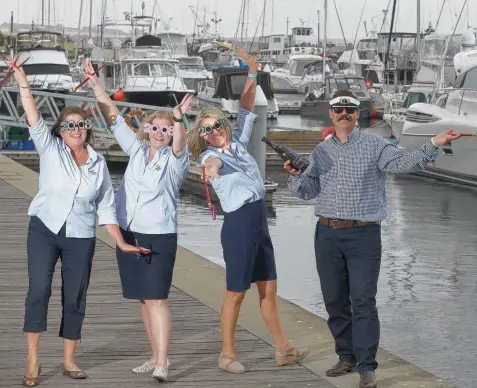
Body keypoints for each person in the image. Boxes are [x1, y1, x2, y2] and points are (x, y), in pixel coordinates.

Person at [284, 90, 462, 388]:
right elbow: (307, 192)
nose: (344, 113)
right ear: (331, 114)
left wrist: (433, 143)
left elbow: (404, 164)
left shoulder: (376, 145)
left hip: (363, 235)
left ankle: (367, 366)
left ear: (358, 114)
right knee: (335, 301)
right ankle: (346, 356)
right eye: (339, 108)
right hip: (326, 234)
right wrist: (294, 175)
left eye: (350, 109)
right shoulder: (320, 152)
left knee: (363, 301)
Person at [4, 58, 150, 388]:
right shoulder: (49, 146)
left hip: (81, 235)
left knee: (75, 296)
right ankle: (33, 360)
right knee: (39, 290)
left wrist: (122, 242)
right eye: (68, 126)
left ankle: (69, 359)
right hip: (44, 228)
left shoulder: (98, 164)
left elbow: (106, 208)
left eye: (80, 125)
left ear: (87, 130)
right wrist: (22, 80)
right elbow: (31, 111)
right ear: (60, 131)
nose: (74, 130)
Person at [188, 50, 309, 374]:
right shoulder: (210, 157)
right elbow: (214, 164)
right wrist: (211, 169)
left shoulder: (238, 141)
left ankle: (283, 348)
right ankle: (227, 354)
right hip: (240, 225)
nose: (213, 131)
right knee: (236, 292)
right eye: (206, 130)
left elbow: (245, 106)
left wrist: (253, 72)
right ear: (202, 138)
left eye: (215, 125)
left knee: (268, 287)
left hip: (259, 224)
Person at [83, 59, 191, 381]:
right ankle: (154, 356)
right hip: (129, 233)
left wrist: (179, 119)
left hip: (158, 236)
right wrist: (95, 85)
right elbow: (113, 117)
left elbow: (181, 144)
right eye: (154, 127)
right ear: (146, 129)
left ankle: (163, 362)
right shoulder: (137, 149)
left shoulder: (176, 161)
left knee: (157, 299)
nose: (159, 133)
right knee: (143, 299)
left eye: (166, 129)